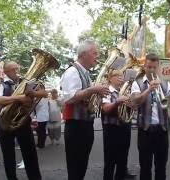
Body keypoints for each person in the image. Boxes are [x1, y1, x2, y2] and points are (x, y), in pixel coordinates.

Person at [61, 40, 110, 180]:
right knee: (75, 168)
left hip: (85, 125)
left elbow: (87, 100)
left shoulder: (85, 73)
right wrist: (94, 89)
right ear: (84, 54)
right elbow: (70, 98)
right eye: (95, 53)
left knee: (81, 166)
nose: (97, 57)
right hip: (76, 126)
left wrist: (97, 95)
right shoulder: (72, 71)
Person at [0, 61, 43, 180]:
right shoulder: (0, 84)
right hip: (4, 123)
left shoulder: (24, 83)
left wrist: (34, 94)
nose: (17, 72)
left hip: (22, 122)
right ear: (6, 71)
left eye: (18, 68)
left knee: (30, 153)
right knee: (8, 156)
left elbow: (42, 94)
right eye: (14, 69)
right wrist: (18, 98)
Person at [131, 53, 170, 180]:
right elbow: (135, 101)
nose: (152, 70)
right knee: (145, 166)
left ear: (158, 67)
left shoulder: (165, 83)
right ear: (144, 66)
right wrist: (149, 89)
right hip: (145, 131)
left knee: (161, 167)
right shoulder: (137, 83)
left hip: (162, 130)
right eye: (149, 67)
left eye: (154, 67)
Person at [101, 70, 136, 180]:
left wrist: (131, 104)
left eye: (122, 76)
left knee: (123, 160)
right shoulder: (106, 91)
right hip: (111, 129)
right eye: (118, 76)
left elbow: (132, 108)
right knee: (110, 161)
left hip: (125, 127)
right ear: (110, 78)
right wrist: (117, 102)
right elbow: (105, 108)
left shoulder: (124, 91)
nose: (121, 78)